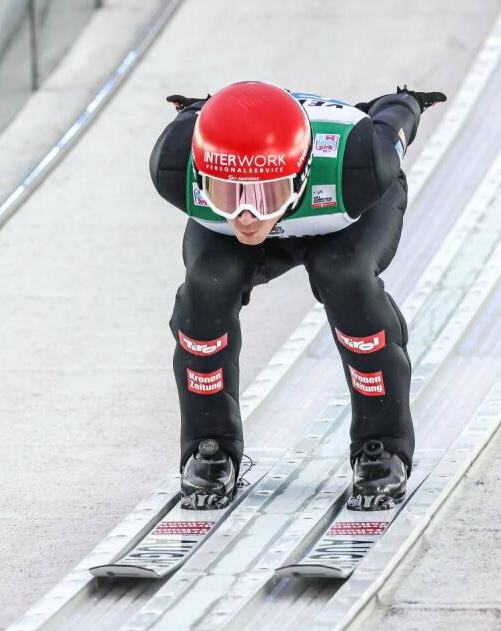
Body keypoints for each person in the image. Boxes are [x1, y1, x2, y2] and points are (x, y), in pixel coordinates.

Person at [149, 81, 446, 511]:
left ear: (303, 173)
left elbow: (394, 119)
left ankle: (382, 442)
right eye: (227, 193)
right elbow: (195, 120)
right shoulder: (176, 160)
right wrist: (196, 109)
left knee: (347, 278)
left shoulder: (361, 162)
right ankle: (208, 443)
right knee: (205, 292)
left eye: (264, 195)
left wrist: (406, 101)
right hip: (280, 211)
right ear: (200, 176)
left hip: (340, 216)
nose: (247, 217)